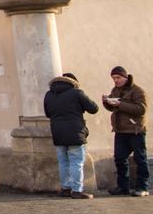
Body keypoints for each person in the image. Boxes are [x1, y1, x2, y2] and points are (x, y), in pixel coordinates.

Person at [44, 72, 98, 199]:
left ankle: (65, 188)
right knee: (76, 162)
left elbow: (48, 113)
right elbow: (93, 108)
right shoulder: (77, 92)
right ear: (73, 82)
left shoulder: (49, 94)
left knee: (63, 162)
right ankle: (77, 190)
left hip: (57, 132)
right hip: (75, 132)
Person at [103, 65, 148, 197]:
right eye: (113, 78)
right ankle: (123, 187)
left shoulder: (137, 91)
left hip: (135, 130)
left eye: (118, 77)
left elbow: (141, 109)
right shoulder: (115, 90)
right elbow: (113, 108)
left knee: (140, 159)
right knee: (120, 159)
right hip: (120, 131)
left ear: (125, 77)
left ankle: (142, 187)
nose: (116, 80)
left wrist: (120, 104)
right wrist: (106, 102)